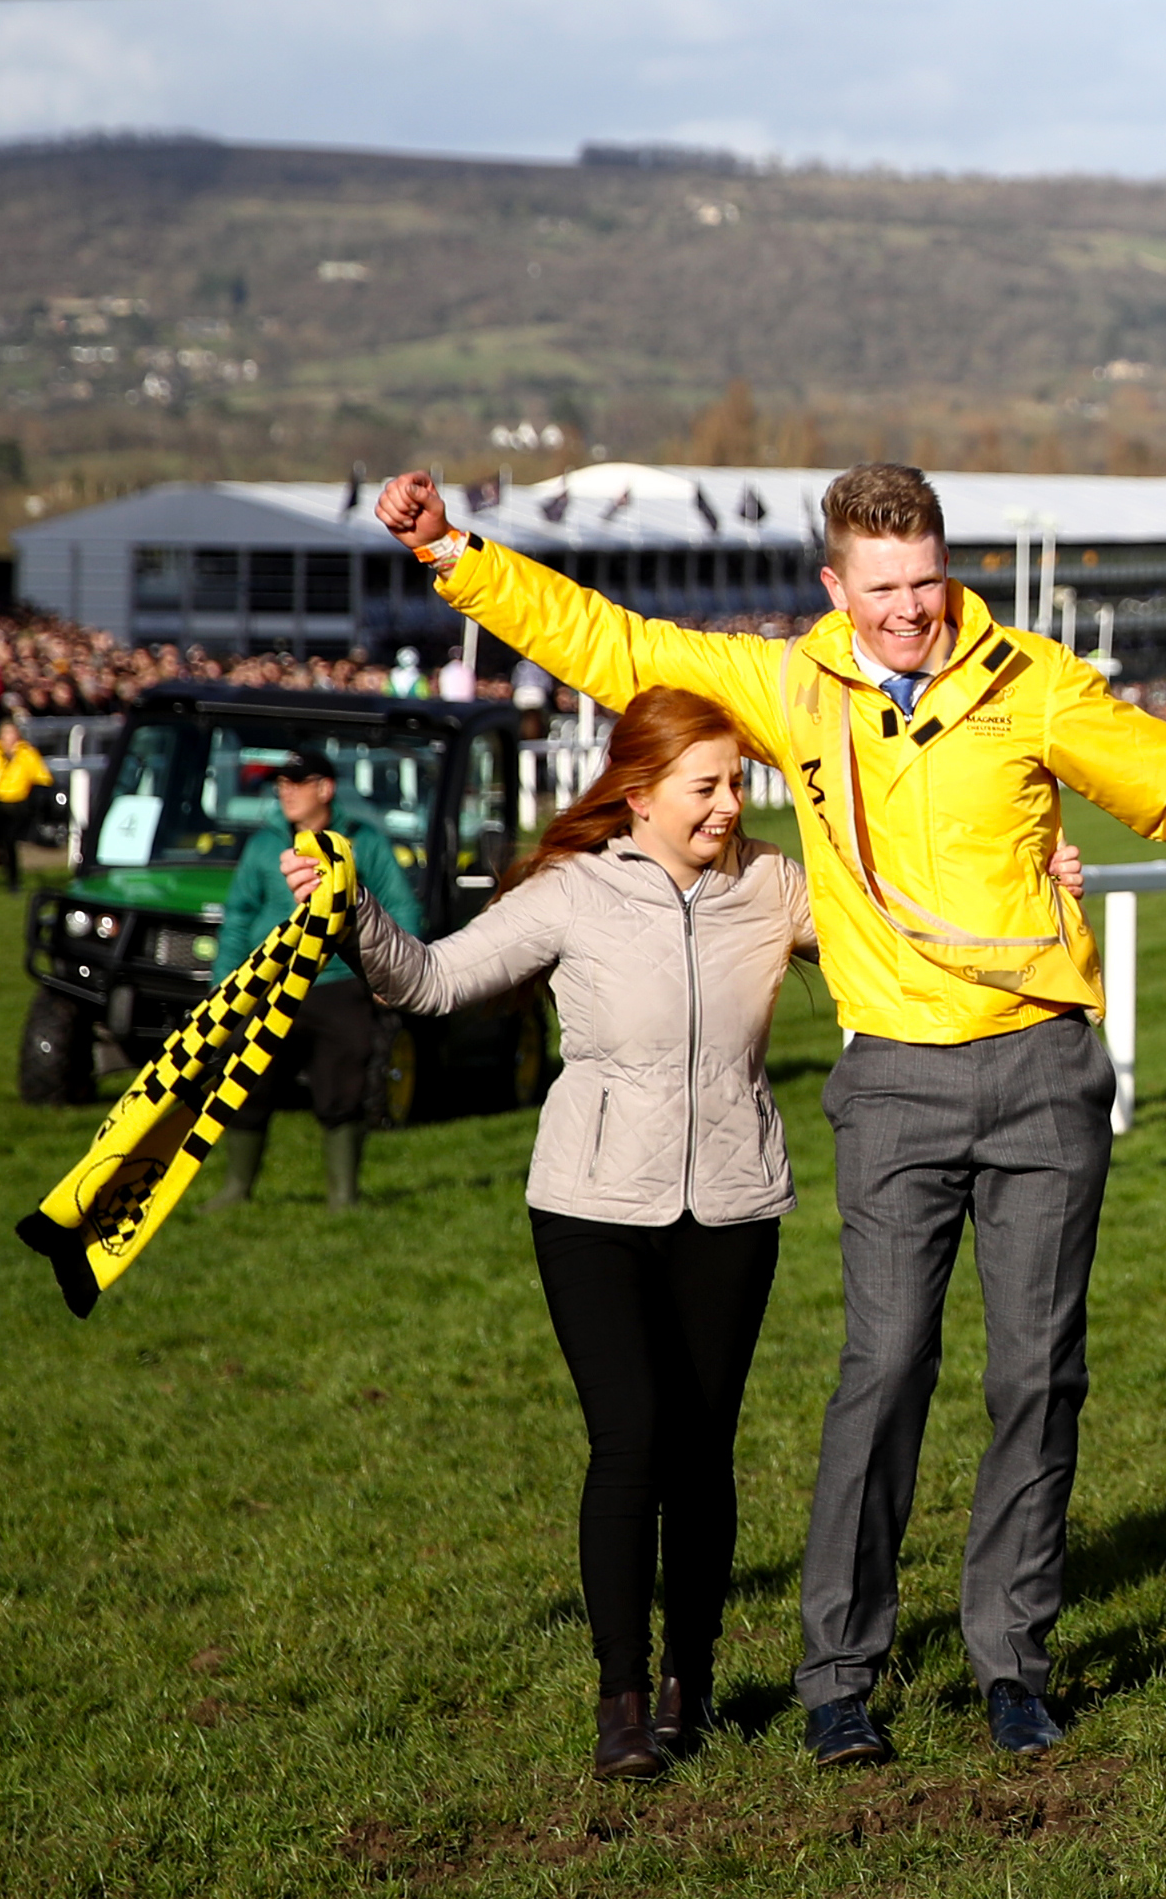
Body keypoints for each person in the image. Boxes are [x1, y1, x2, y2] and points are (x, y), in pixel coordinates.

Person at [372, 460, 1166, 1767]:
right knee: (885, 1367)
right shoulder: (791, 682)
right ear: (834, 585)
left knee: (1036, 1372)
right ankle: (839, 1667)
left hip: (1042, 1075)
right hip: (896, 1082)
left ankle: (1010, 1657)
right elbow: (615, 645)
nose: (910, 609)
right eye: (884, 586)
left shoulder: (1031, 681)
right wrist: (456, 553)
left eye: (927, 580)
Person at [286, 689, 808, 1779]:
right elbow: (431, 980)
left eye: (737, 782)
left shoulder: (773, 885)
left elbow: (909, 940)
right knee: (632, 1436)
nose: (730, 804)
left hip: (734, 1201)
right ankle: (621, 1698)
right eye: (706, 786)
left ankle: (689, 1684)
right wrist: (353, 918)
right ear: (640, 792)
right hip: (590, 1205)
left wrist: (1039, 888)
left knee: (702, 1451)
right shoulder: (571, 892)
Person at [208, 749, 423, 1210]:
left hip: (338, 984)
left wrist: (397, 973)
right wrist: (224, 982)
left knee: (341, 1086)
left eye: (296, 782)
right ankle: (236, 1189)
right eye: (280, 783)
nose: (284, 791)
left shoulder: (362, 841)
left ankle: (343, 1196)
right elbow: (240, 913)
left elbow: (401, 906)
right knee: (246, 1083)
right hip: (269, 984)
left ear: (325, 788)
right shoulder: (264, 845)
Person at [0, 715, 52, 889]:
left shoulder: (27, 753)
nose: (9, 737)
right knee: (1, 841)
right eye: (5, 733)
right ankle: (3, 871)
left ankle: (13, 879)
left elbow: (43, 777)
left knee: (10, 840)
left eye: (11, 733)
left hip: (20, 802)